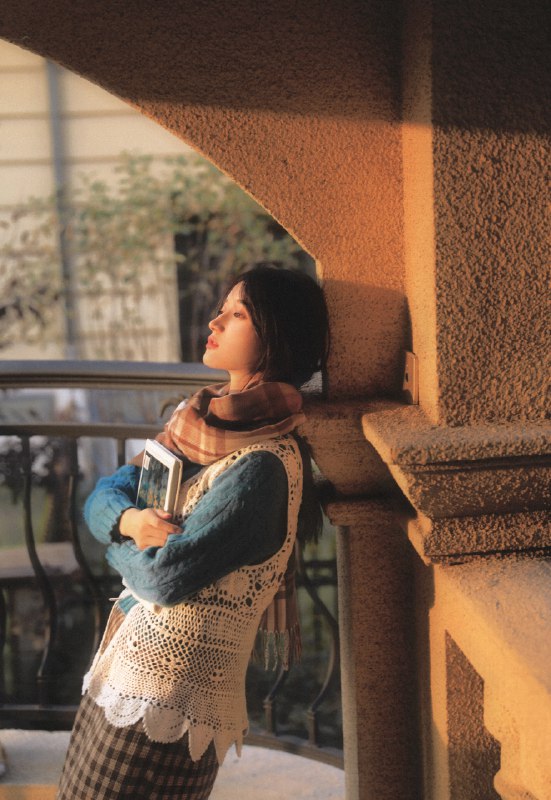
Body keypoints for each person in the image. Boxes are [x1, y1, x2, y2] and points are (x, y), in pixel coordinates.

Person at [57, 265, 330, 800]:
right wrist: (132, 523)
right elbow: (103, 494)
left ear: (276, 335)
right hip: (125, 670)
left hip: (173, 699)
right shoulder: (196, 423)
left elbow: (164, 579)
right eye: (221, 310)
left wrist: (117, 542)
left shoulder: (262, 467)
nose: (215, 322)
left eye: (237, 314)